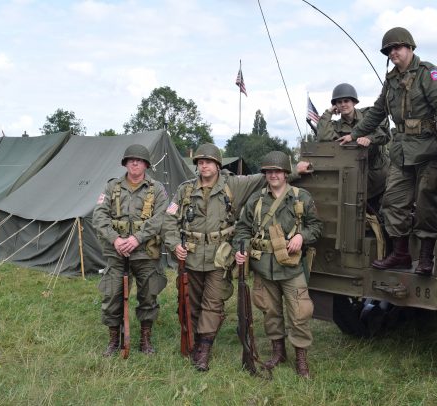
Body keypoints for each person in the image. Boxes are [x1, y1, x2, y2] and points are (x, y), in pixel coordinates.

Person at [162, 143, 311, 371]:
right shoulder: (184, 190)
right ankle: (190, 340)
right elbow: (169, 219)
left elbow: (265, 178)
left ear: (218, 165)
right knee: (189, 303)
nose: (204, 166)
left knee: (213, 303)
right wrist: (173, 244)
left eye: (209, 162)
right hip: (190, 256)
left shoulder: (234, 184)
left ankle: (204, 348)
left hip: (219, 257)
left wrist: (295, 169)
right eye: (200, 162)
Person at [348, 27, 437, 275]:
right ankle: (400, 254)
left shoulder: (428, 73)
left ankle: (427, 257)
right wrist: (355, 134)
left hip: (430, 150)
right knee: (392, 202)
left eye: (397, 47)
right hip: (401, 152)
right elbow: (377, 111)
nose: (393, 52)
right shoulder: (391, 81)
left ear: (410, 48)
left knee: (427, 202)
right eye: (389, 50)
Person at [234, 151, 322, 378]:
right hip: (263, 267)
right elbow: (242, 228)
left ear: (285, 173)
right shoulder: (256, 199)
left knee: (300, 313)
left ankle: (301, 358)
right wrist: (241, 249)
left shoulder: (301, 197)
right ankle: (278, 352)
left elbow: (316, 227)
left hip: (291, 267)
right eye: (269, 171)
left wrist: (302, 236)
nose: (273, 175)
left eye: (277, 171)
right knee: (270, 312)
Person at [93, 144, 169, 356]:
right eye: (131, 160)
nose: (135, 163)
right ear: (125, 163)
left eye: (139, 160)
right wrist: (115, 239)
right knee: (112, 295)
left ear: (146, 164)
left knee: (148, 295)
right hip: (116, 252)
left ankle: (145, 339)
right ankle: (114, 340)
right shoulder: (112, 187)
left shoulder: (157, 189)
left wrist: (137, 238)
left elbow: (161, 217)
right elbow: (99, 216)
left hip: (146, 252)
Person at [317, 83, 390, 210]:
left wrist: (369, 139)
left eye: (346, 101)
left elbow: (385, 135)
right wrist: (328, 112)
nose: (343, 104)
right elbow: (323, 137)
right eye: (339, 102)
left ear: (354, 102)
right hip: (353, 181)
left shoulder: (369, 115)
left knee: (383, 215)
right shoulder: (336, 126)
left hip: (378, 178)